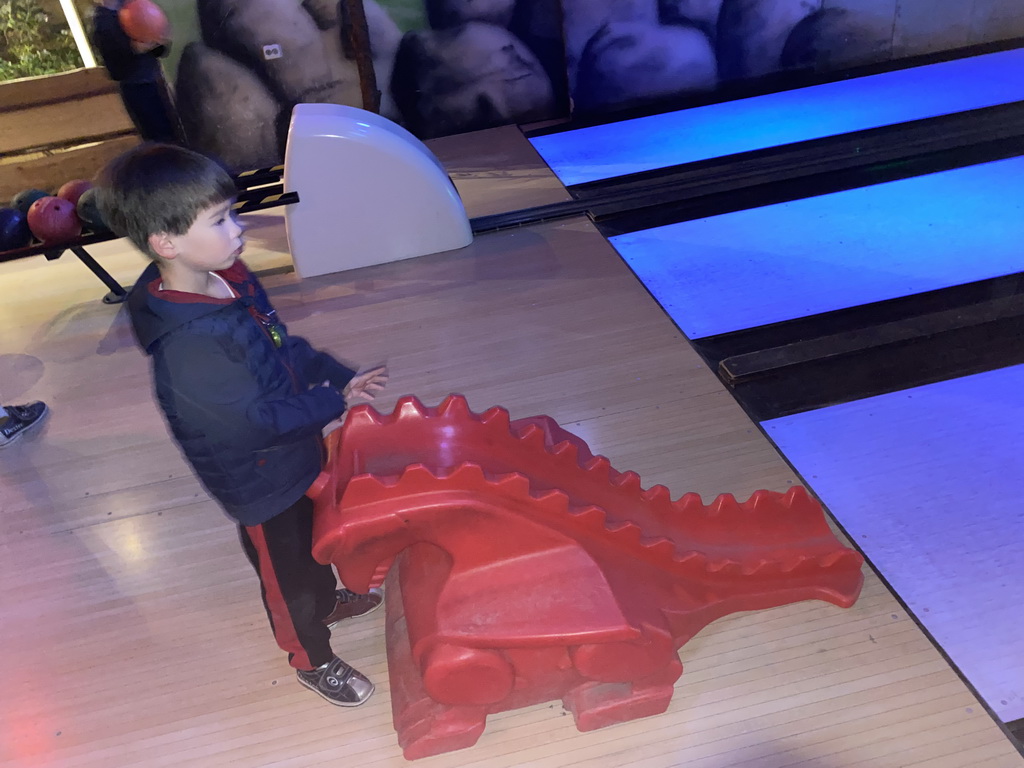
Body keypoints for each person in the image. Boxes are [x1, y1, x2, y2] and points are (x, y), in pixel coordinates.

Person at [95, 143, 389, 707]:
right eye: (220, 220)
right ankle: (313, 658)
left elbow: (281, 345)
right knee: (289, 577)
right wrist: (329, 404)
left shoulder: (229, 276)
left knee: (320, 538)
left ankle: (326, 600)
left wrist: (335, 376)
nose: (239, 228)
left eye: (232, 212)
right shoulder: (189, 348)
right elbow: (250, 427)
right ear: (166, 243)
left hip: (292, 444)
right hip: (258, 479)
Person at [90, 0, 181, 143]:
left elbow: (160, 51)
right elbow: (115, 69)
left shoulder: (132, 6)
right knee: (160, 139)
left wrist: (160, 40)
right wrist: (134, 48)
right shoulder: (103, 21)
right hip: (137, 88)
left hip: (156, 81)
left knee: (176, 131)